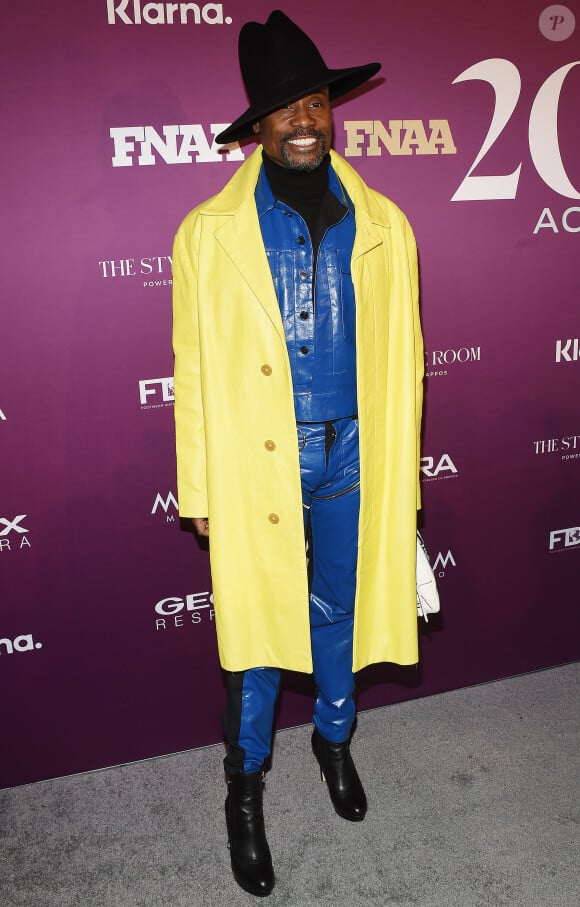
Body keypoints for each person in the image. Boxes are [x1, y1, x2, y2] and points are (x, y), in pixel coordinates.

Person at [172, 10, 424, 897]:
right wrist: (198, 483)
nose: (305, 120)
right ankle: (246, 787)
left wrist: (403, 471)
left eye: (315, 100)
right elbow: (192, 370)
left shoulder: (387, 222)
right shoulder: (209, 232)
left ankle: (335, 740)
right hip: (255, 463)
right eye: (285, 108)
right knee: (253, 637)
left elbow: (409, 363)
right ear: (258, 125)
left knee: (340, 613)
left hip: (356, 451)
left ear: (333, 107)